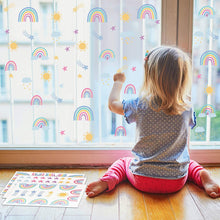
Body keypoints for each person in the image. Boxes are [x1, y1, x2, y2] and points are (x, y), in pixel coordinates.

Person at [86, 46, 220, 198]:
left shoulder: (140, 104)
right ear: (182, 79)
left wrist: (118, 82)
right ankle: (205, 177)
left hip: (142, 179)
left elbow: (112, 105)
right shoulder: (187, 108)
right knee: (190, 164)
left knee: (123, 163)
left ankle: (107, 181)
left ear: (150, 77)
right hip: (175, 180)